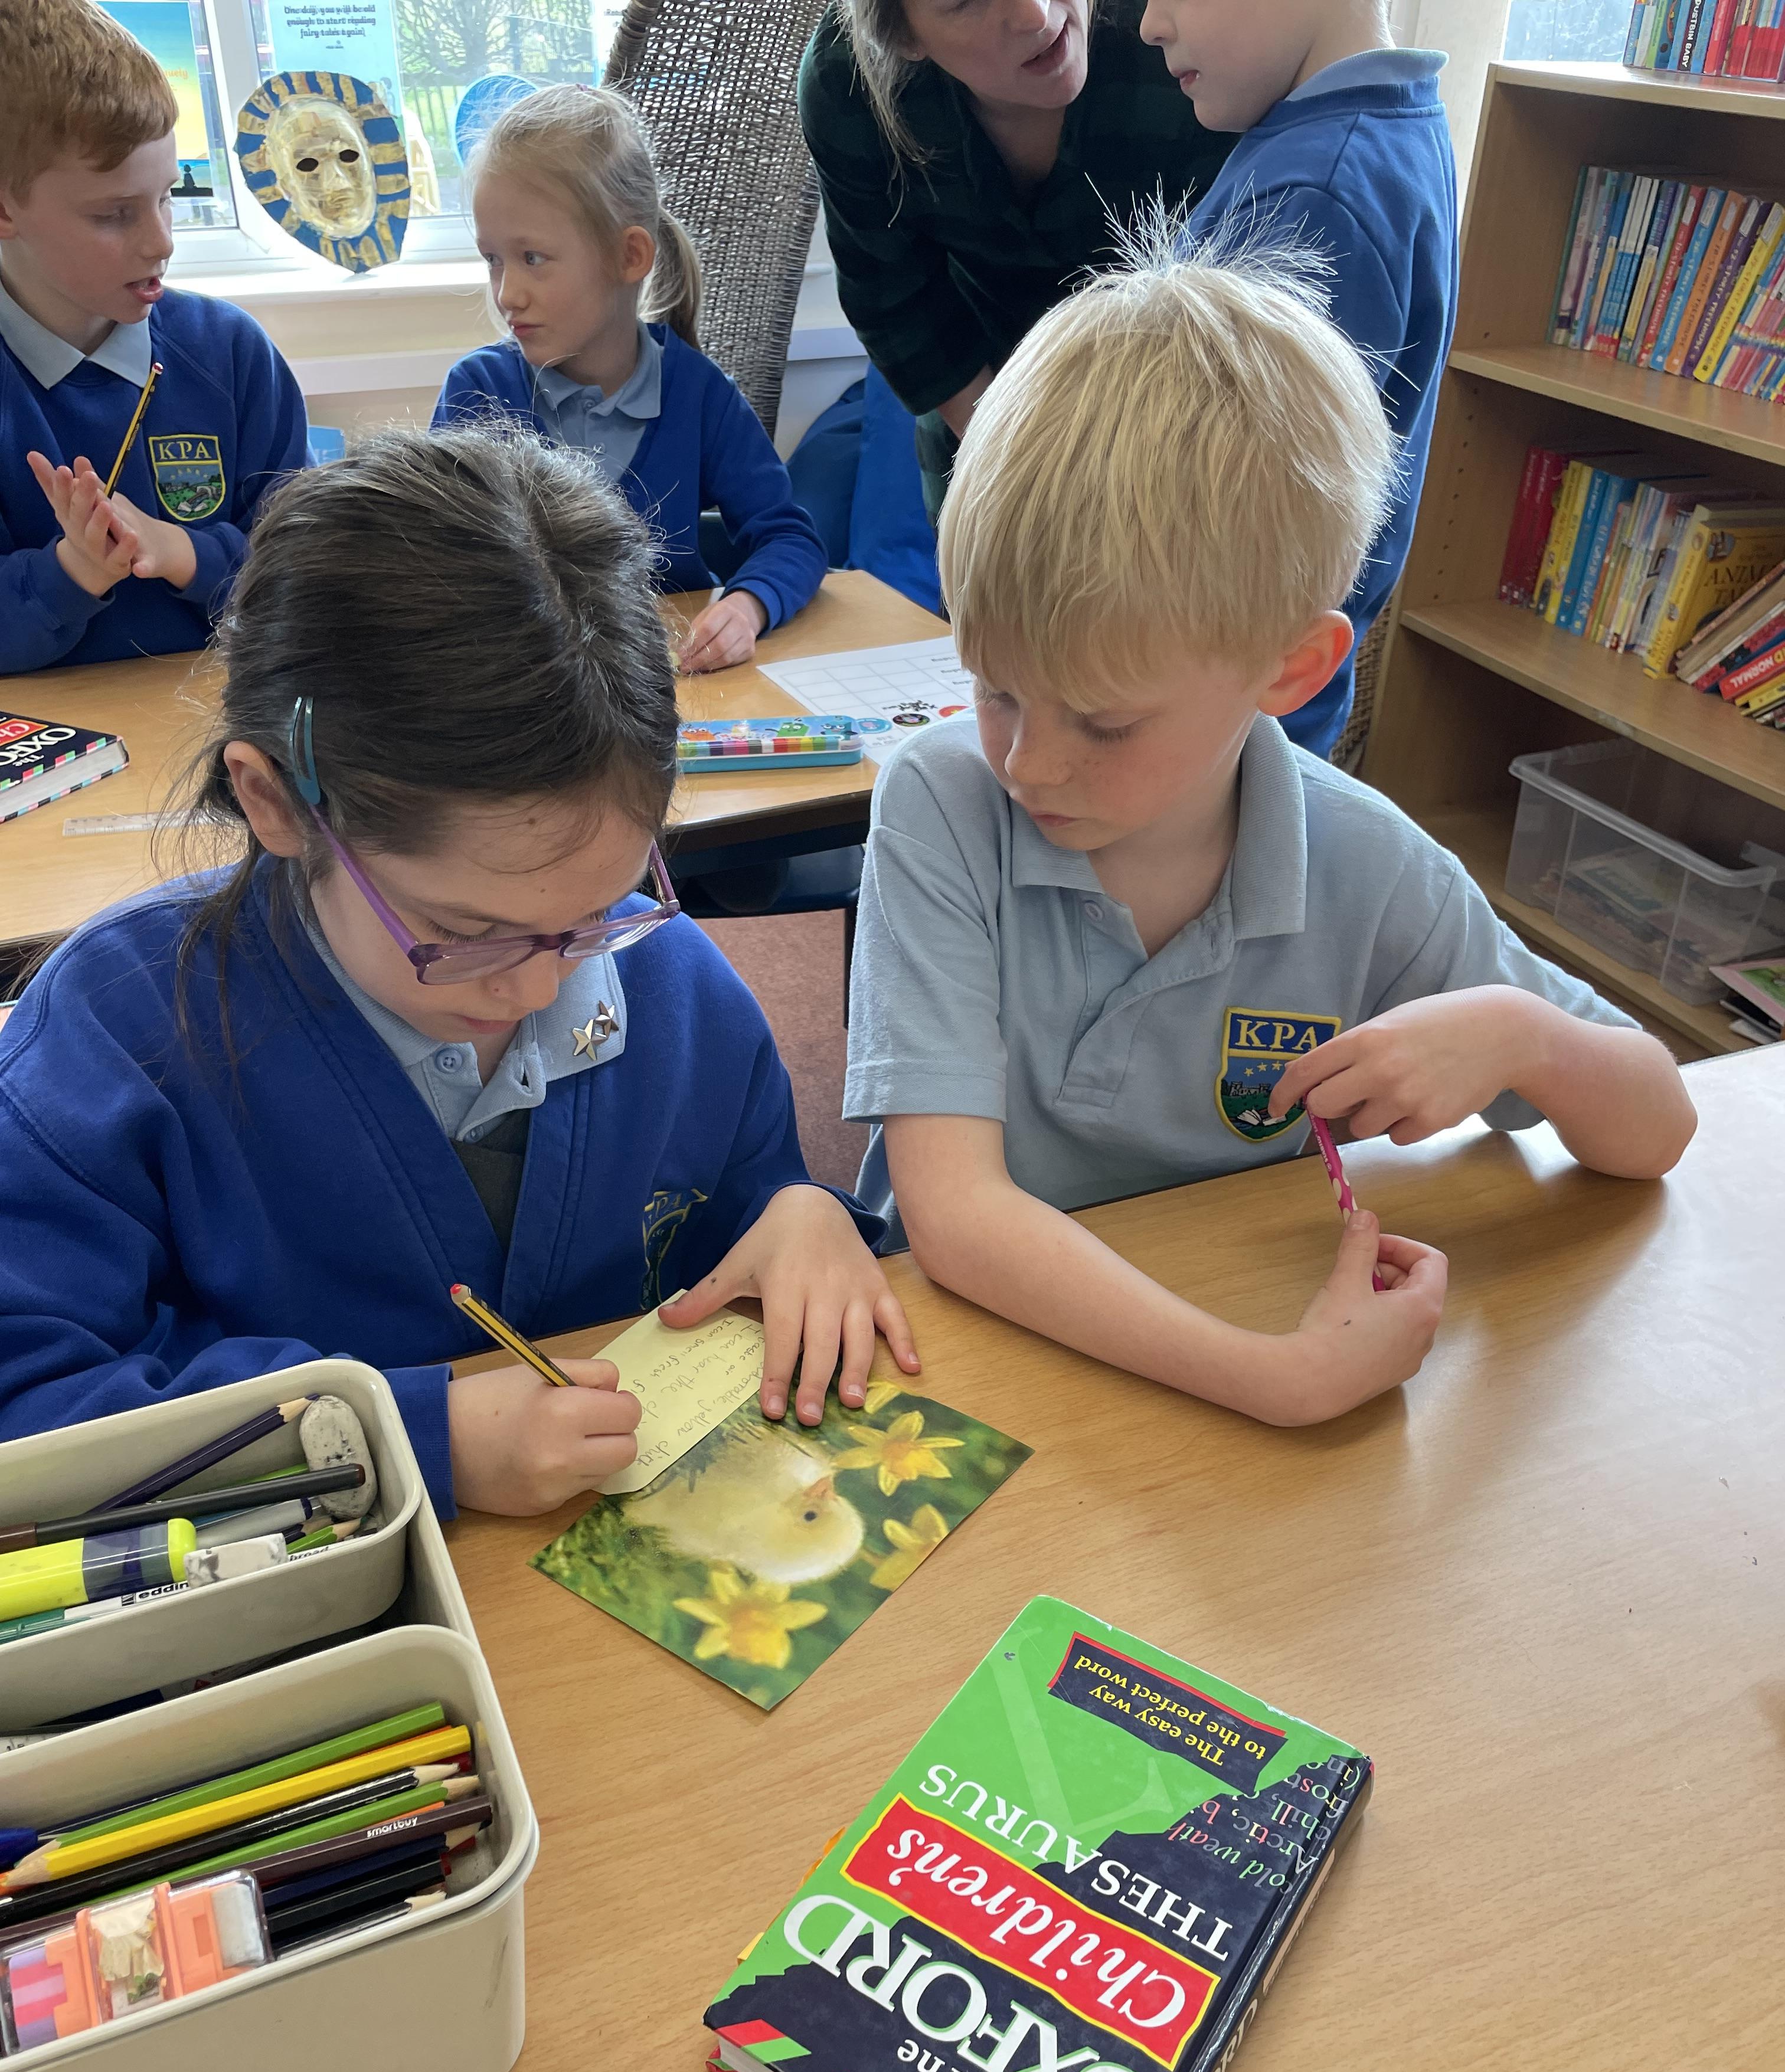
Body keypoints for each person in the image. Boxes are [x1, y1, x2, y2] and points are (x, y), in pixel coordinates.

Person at [842, 246, 1696, 1428]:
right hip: (975, 1357)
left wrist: (1522, 1035)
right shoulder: (940, 801)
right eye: (994, 690)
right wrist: (1272, 1378)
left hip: (1213, 1331)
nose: (1027, 761)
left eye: (1102, 721)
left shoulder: (1367, 863)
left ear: (1291, 669)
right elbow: (953, 1218)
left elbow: (1659, 1127)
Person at [0, 430, 918, 1518]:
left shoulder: (678, 989)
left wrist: (803, 1211)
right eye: (466, 933)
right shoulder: (114, 1034)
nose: (539, 991)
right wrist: (409, 1440)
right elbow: (31, 1405)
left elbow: (749, 1212)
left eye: (596, 913)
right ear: (275, 802)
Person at [1139, 0, 1458, 760]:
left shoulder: (1314, 194)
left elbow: (1219, 518)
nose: (1150, 25)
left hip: (1208, 719)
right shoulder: (1381, 129)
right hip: (1238, 704)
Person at [434, 84, 826, 675]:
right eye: (493, 260)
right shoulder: (477, 394)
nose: (507, 293)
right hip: (525, 694)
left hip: (675, 687)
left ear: (630, 256)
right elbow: (433, 565)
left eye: (533, 258)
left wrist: (748, 608)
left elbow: (789, 538)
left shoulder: (700, 396)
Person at [799, 0, 1234, 520]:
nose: (1037, 15)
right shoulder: (845, 82)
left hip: (1209, 409)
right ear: (904, 38)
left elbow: (1263, 281)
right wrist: (1018, 471)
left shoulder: (1190, 20)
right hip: (989, 404)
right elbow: (893, 302)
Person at [0, 0, 308, 673]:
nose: (162, 242)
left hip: (225, 722)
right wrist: (70, 573)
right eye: (114, 215)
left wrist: (188, 553)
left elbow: (312, 575)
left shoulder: (232, 353)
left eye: (168, 196)